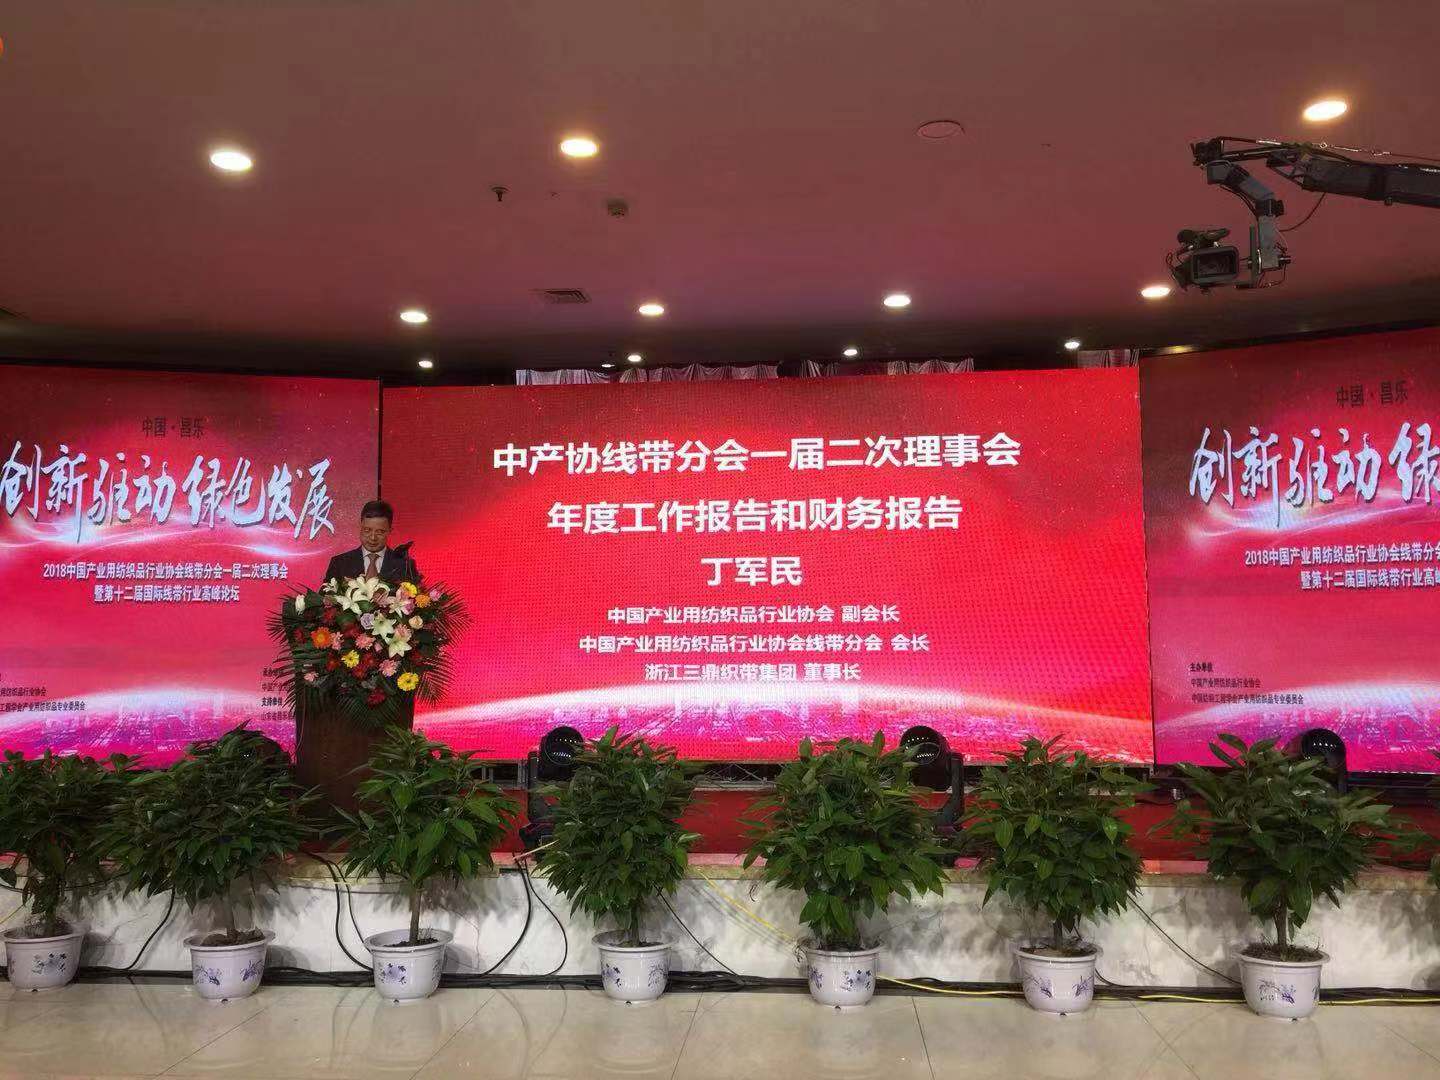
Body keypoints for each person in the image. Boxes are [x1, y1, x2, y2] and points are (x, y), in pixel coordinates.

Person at [323, 499, 421, 585]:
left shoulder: (405, 565)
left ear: (390, 531)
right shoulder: (339, 563)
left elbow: (414, 597)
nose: (373, 537)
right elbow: (324, 598)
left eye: (380, 532)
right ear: (360, 526)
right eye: (367, 530)